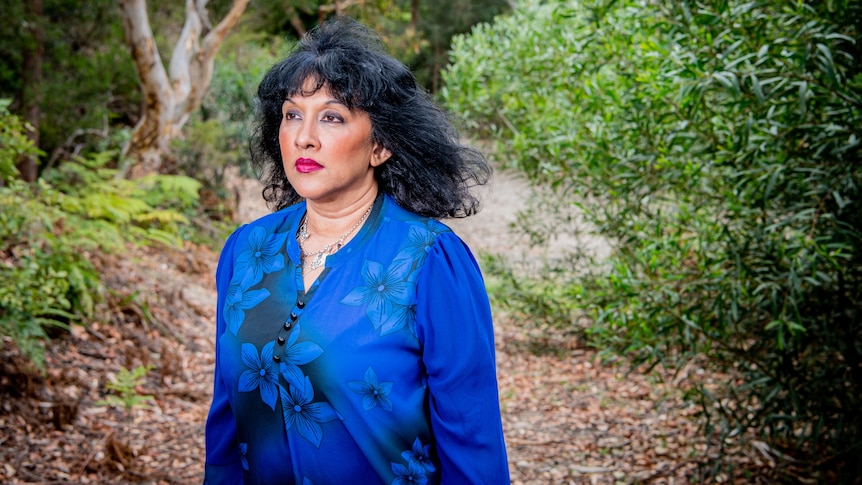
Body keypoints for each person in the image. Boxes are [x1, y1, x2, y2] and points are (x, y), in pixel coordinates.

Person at [203, 16, 509, 485]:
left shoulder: (429, 262)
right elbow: (225, 433)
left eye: (332, 116)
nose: (305, 136)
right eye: (291, 114)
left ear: (380, 145)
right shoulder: (246, 252)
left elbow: (473, 439)